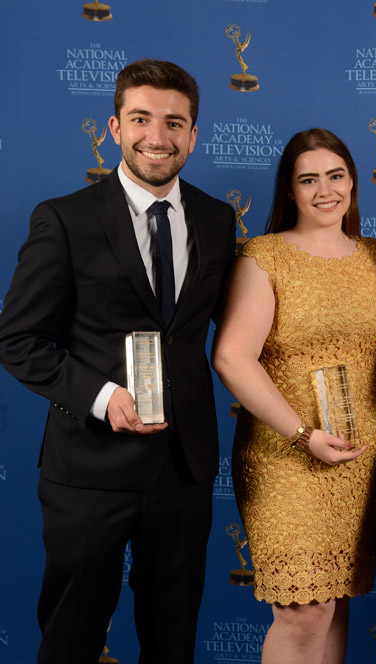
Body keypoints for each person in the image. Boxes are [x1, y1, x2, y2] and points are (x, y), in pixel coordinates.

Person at [0, 59, 235, 662]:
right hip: (89, 470)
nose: (157, 137)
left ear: (193, 133)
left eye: (174, 122)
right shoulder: (65, 219)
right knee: (73, 639)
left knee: (173, 639)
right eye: (141, 119)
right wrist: (104, 398)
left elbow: (228, 334)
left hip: (183, 469)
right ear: (113, 127)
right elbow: (17, 340)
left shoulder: (215, 219)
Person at [212, 128, 376, 664]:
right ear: (289, 191)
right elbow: (231, 357)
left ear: (353, 182)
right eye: (307, 179)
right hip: (286, 453)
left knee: (336, 602)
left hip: (362, 455)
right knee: (304, 611)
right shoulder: (263, 256)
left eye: (335, 176)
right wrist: (302, 434)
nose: (324, 191)